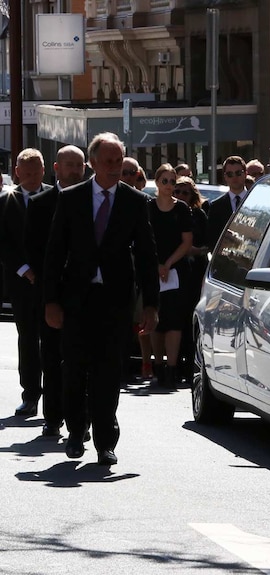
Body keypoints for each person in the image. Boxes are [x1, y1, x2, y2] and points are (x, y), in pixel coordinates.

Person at [43, 132, 159, 466]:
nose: (113, 167)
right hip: (76, 299)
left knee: (109, 371)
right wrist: (50, 301)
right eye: (107, 161)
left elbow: (147, 255)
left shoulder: (134, 202)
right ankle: (77, 432)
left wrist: (151, 304)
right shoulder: (72, 198)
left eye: (118, 161)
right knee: (75, 369)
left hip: (115, 300)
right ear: (92, 163)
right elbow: (54, 253)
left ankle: (106, 442)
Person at [24, 145, 87, 437]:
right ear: (56, 168)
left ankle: (81, 418)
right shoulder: (40, 203)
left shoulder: (92, 199)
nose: (75, 170)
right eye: (69, 165)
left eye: (80, 165)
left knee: (82, 358)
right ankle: (52, 417)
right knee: (51, 355)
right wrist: (44, 286)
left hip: (85, 293)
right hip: (49, 293)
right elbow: (34, 249)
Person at [0, 149, 52, 417]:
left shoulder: (57, 197)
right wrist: (24, 269)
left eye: (36, 172)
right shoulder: (6, 201)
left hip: (53, 280)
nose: (32, 178)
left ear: (44, 170)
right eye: (26, 173)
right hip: (21, 283)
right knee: (28, 338)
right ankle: (30, 394)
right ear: (17, 172)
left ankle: (56, 399)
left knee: (53, 340)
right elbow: (4, 243)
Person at [148, 164, 193, 389]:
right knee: (157, 321)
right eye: (164, 181)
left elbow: (187, 242)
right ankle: (158, 365)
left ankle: (172, 369)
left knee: (174, 321)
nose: (169, 186)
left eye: (172, 182)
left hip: (176, 270)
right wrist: (156, 265)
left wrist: (168, 263)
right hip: (152, 271)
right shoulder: (148, 208)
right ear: (157, 182)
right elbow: (142, 241)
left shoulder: (182, 209)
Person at [174, 176, 209, 383]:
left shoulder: (199, 215)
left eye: (184, 192)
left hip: (195, 272)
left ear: (192, 195)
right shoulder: (170, 211)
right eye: (176, 191)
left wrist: (191, 250)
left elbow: (206, 245)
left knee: (191, 318)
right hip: (175, 271)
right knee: (175, 317)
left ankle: (189, 365)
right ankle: (174, 364)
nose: (179, 196)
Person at [206, 156, 248, 250]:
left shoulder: (256, 202)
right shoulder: (216, 206)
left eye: (238, 173)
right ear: (225, 177)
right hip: (225, 260)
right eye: (230, 174)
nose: (234, 177)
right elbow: (211, 240)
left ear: (245, 174)